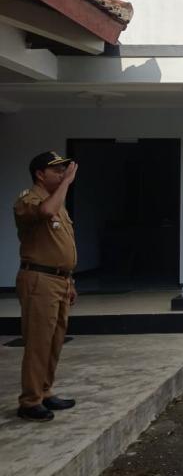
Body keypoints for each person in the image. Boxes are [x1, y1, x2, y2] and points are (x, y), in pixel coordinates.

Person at [15, 151, 79, 422]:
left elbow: (61, 246)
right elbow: (45, 212)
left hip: (59, 280)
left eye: (64, 170)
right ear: (40, 174)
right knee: (38, 341)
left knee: (54, 340)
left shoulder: (57, 202)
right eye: (57, 171)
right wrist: (67, 183)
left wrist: (69, 280)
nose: (62, 175)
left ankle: (45, 391)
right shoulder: (29, 200)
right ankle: (30, 401)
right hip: (39, 280)